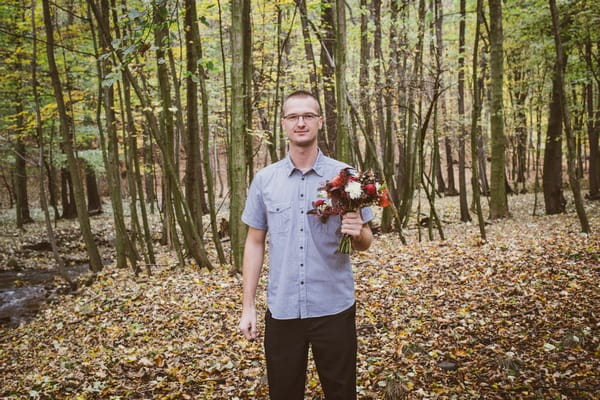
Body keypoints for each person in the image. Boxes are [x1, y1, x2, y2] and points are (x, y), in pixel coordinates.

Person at [238, 90, 374, 400]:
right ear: (284, 123)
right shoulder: (265, 180)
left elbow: (365, 242)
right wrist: (248, 307)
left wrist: (357, 232)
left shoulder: (345, 176)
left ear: (320, 122)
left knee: (341, 394)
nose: (301, 122)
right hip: (283, 310)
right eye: (293, 116)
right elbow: (254, 242)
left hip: (334, 309)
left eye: (308, 116)